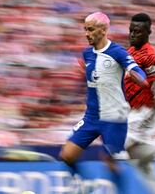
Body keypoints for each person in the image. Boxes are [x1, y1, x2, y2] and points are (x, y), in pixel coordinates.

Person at [59, 12, 149, 177]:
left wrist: (139, 78)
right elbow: (91, 76)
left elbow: (137, 72)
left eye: (91, 29)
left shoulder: (118, 52)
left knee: (110, 164)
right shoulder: (87, 54)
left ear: (103, 30)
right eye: (85, 29)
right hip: (91, 116)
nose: (87, 34)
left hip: (114, 117)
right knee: (67, 155)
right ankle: (85, 185)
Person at [123, 13, 155, 174]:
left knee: (119, 150)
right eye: (131, 31)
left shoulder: (149, 56)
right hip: (131, 111)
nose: (133, 34)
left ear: (149, 32)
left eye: (138, 31)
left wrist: (152, 112)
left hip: (144, 113)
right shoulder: (130, 51)